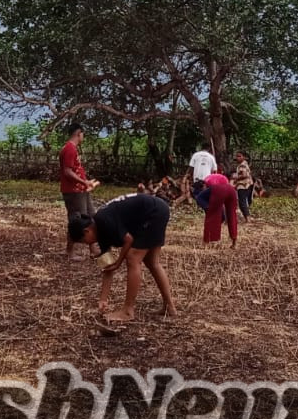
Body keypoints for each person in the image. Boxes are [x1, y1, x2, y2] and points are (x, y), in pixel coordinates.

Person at [69, 193, 178, 321]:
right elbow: (107, 267)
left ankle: (127, 311)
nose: (86, 244)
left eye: (83, 241)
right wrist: (103, 299)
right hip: (152, 213)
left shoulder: (103, 221)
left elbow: (128, 239)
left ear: (87, 231)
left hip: (153, 211)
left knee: (132, 258)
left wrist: (119, 262)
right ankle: (169, 307)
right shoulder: (99, 231)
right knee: (152, 261)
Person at [59, 123, 99, 259]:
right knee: (77, 220)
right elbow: (67, 171)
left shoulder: (72, 148)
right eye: (83, 134)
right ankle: (69, 251)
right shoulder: (69, 149)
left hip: (81, 190)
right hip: (74, 190)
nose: (83, 137)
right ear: (78, 133)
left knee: (91, 216)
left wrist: (85, 184)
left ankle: (93, 248)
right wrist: (84, 182)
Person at [199, 171, 239, 247]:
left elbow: (199, 198)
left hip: (220, 190)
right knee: (232, 216)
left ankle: (208, 242)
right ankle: (234, 241)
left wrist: (207, 208)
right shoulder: (217, 179)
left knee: (212, 216)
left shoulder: (207, 183)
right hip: (231, 190)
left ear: (204, 185)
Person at [231, 151, 255, 222]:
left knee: (242, 202)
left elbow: (244, 175)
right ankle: (247, 216)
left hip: (243, 185)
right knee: (245, 201)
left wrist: (236, 178)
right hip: (248, 184)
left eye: (239, 156)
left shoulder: (242, 165)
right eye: (237, 156)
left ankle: (247, 218)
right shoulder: (244, 163)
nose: (237, 158)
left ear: (243, 157)